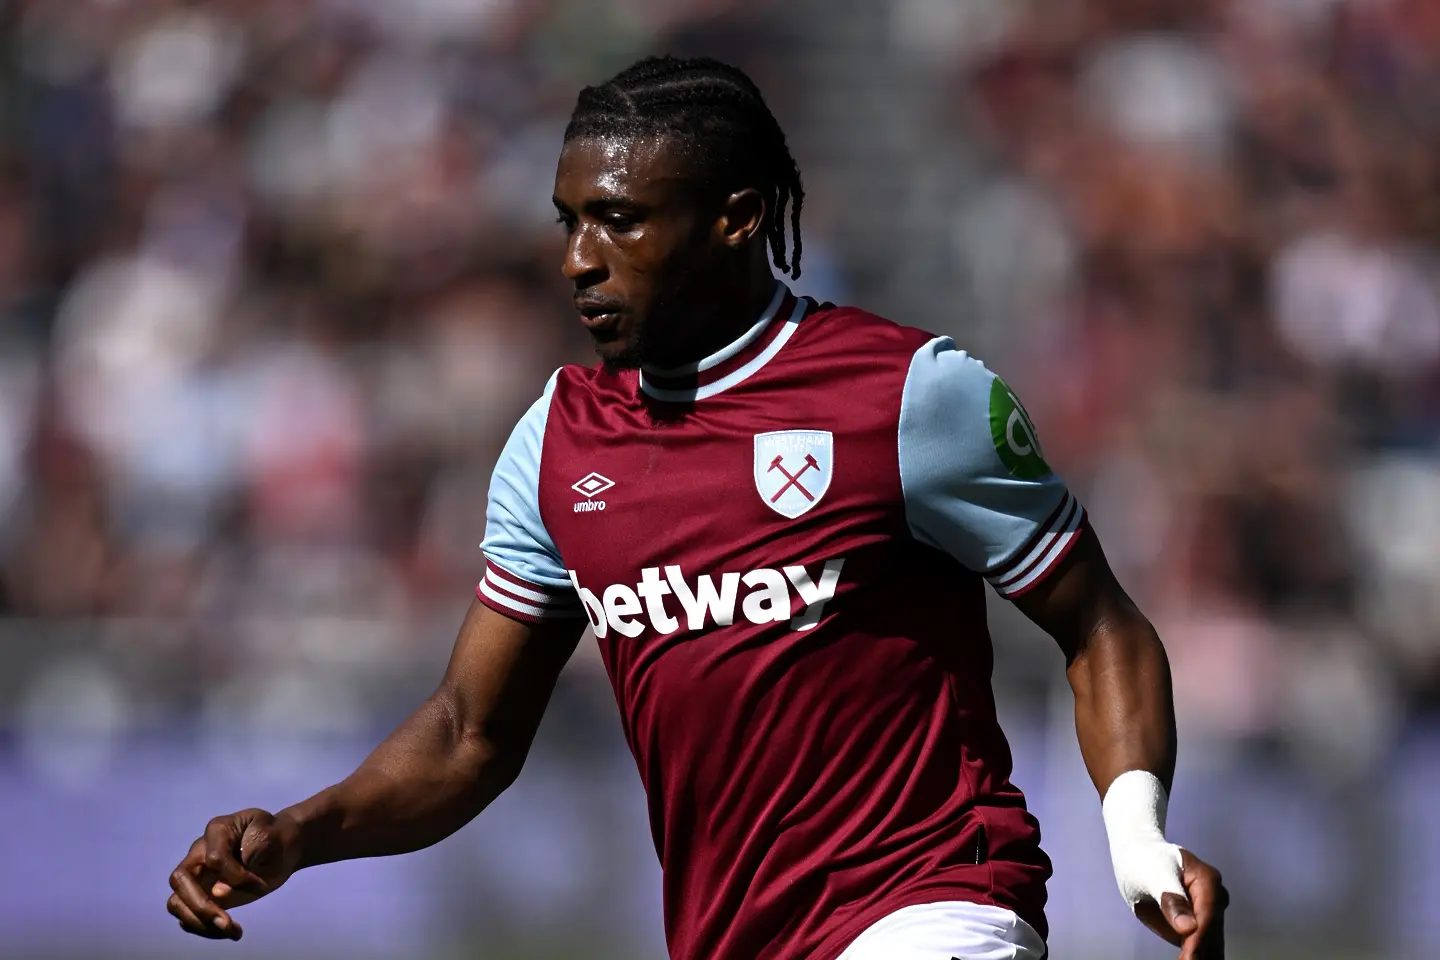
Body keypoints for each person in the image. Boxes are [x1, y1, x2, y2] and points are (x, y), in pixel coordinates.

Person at [166, 55, 1226, 960]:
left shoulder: (909, 396)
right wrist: (300, 833)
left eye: (620, 221)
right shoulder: (556, 443)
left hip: (936, 908)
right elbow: (468, 732)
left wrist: (1139, 839)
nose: (579, 260)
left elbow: (1099, 624)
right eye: (569, 221)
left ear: (737, 219)